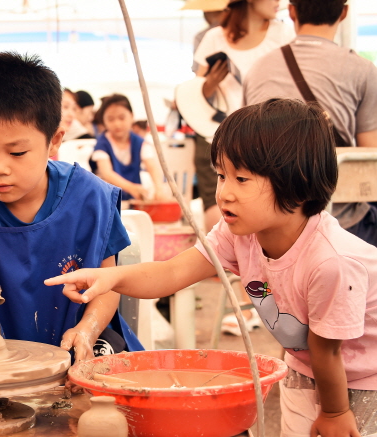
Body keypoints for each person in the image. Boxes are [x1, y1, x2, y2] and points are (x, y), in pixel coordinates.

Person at [47, 99, 377, 437]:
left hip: (365, 380)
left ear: (299, 182)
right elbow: (172, 273)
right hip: (306, 367)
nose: (224, 194)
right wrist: (110, 276)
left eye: (242, 179)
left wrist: (335, 412)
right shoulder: (241, 235)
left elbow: (328, 349)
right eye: (221, 175)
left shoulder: (331, 261)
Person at [0, 52, 143, 362]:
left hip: (82, 340)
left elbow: (108, 286)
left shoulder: (91, 197)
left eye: (18, 152)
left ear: (54, 141)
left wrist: (87, 330)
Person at [244, 0, 377, 247]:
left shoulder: (258, 69)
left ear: (292, 11)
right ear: (344, 12)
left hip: (269, 222)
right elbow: (370, 155)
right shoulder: (363, 69)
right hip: (340, 220)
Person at [186, 0, 295, 234]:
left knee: (268, 211)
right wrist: (210, 82)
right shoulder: (214, 37)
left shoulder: (283, 33)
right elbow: (196, 94)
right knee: (220, 215)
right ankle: (228, 269)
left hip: (269, 142)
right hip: (218, 137)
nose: (279, 2)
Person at [89, 94, 166, 202]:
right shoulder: (102, 144)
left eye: (122, 117)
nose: (117, 124)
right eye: (111, 119)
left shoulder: (140, 143)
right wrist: (131, 188)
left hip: (132, 199)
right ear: (104, 121)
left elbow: (152, 166)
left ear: (131, 116)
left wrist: (159, 187)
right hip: (107, 199)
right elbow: (107, 173)